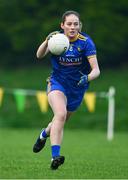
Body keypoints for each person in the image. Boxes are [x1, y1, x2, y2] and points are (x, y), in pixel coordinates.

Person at [33, 10, 100, 170]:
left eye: (75, 24)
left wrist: (87, 78)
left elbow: (96, 70)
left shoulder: (86, 42)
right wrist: (46, 40)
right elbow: (39, 55)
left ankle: (43, 134)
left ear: (79, 26)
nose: (72, 27)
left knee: (58, 121)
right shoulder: (57, 40)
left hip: (77, 88)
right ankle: (55, 156)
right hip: (57, 83)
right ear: (62, 25)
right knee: (60, 115)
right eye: (69, 24)